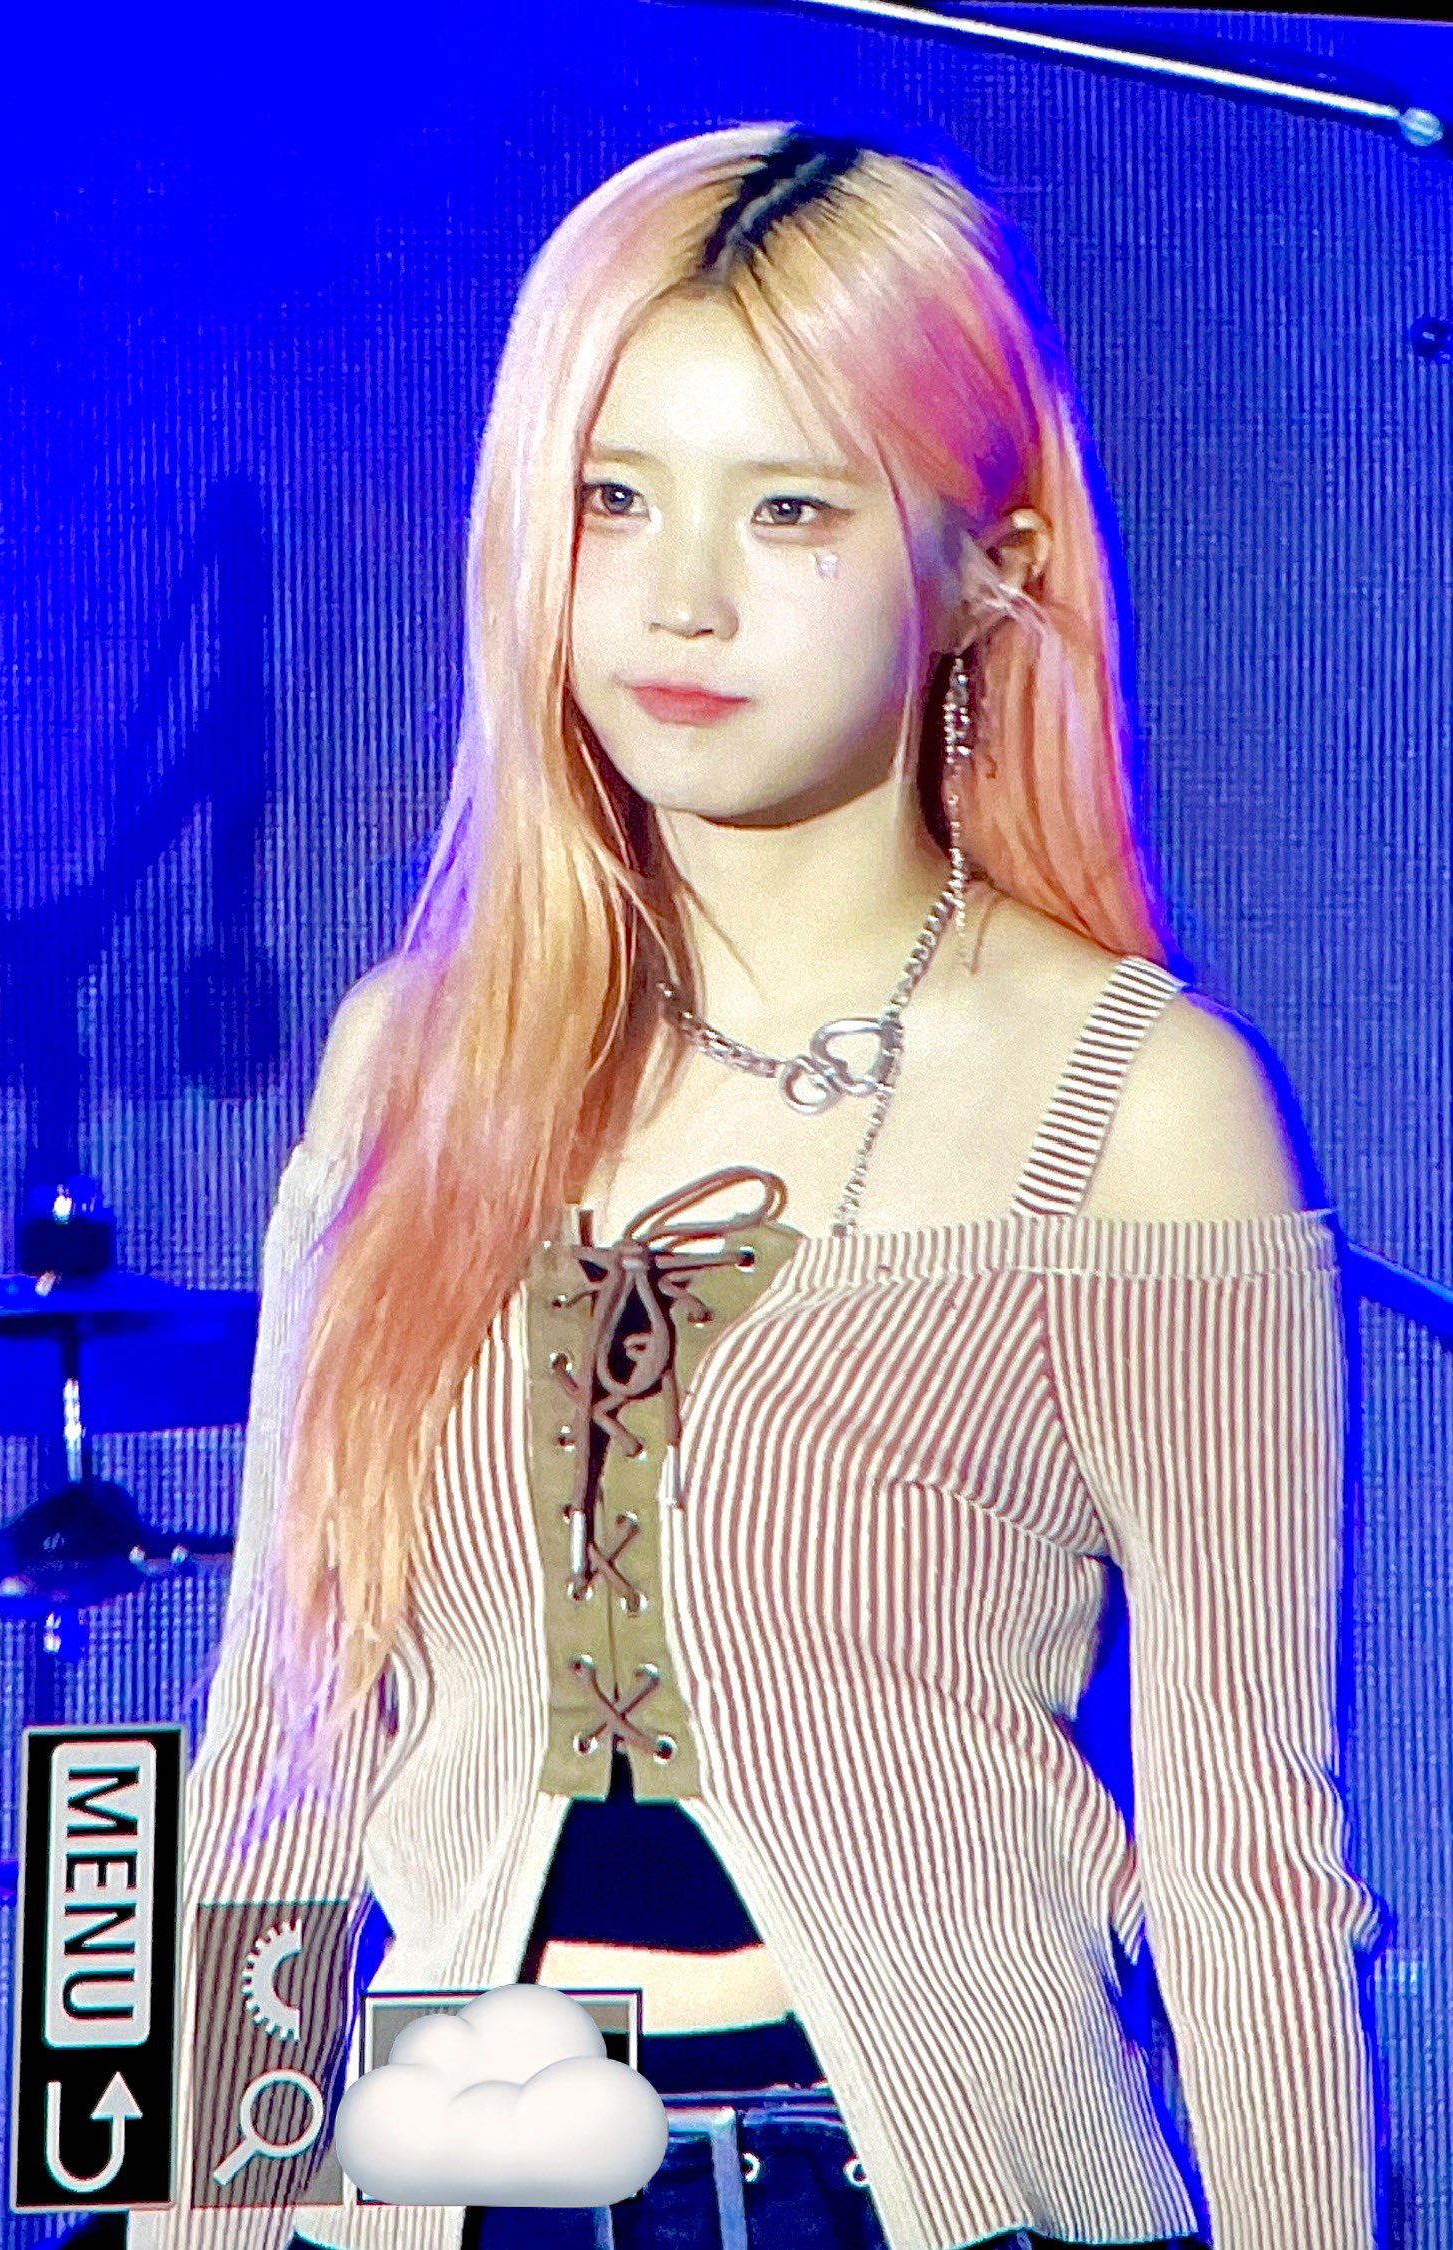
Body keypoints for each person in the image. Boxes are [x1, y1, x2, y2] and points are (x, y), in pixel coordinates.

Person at [125, 122, 1389, 2250]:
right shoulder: (418, 1059)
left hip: (927, 2194)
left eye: (790, 507)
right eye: (612, 498)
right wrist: (198, 2214)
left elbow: (1247, 1851)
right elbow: (285, 1744)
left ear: (987, 562)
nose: (678, 596)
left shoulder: (1139, 1101)